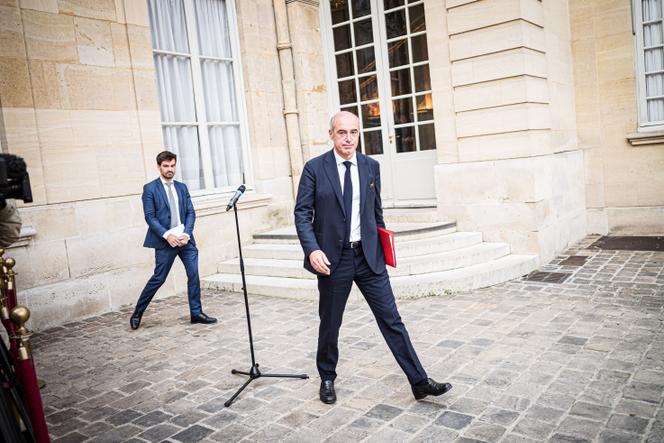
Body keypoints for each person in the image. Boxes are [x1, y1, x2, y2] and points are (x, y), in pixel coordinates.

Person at [294, 111, 452, 404]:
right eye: (342, 132)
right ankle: (327, 377)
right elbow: (302, 213)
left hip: (368, 258)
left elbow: (376, 212)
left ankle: (419, 381)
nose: (348, 138)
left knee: (392, 320)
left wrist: (382, 244)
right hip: (333, 260)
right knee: (331, 323)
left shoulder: (370, 166)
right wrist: (312, 249)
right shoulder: (315, 168)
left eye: (353, 132)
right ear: (331, 135)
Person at [130, 151, 216, 330]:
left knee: (194, 275)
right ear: (159, 167)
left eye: (172, 165)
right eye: (166, 166)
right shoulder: (150, 188)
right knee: (159, 278)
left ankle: (196, 313)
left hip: (185, 242)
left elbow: (190, 212)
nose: (170, 169)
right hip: (165, 242)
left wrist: (186, 233)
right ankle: (138, 312)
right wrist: (167, 235)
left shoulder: (182, 187)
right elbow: (150, 217)